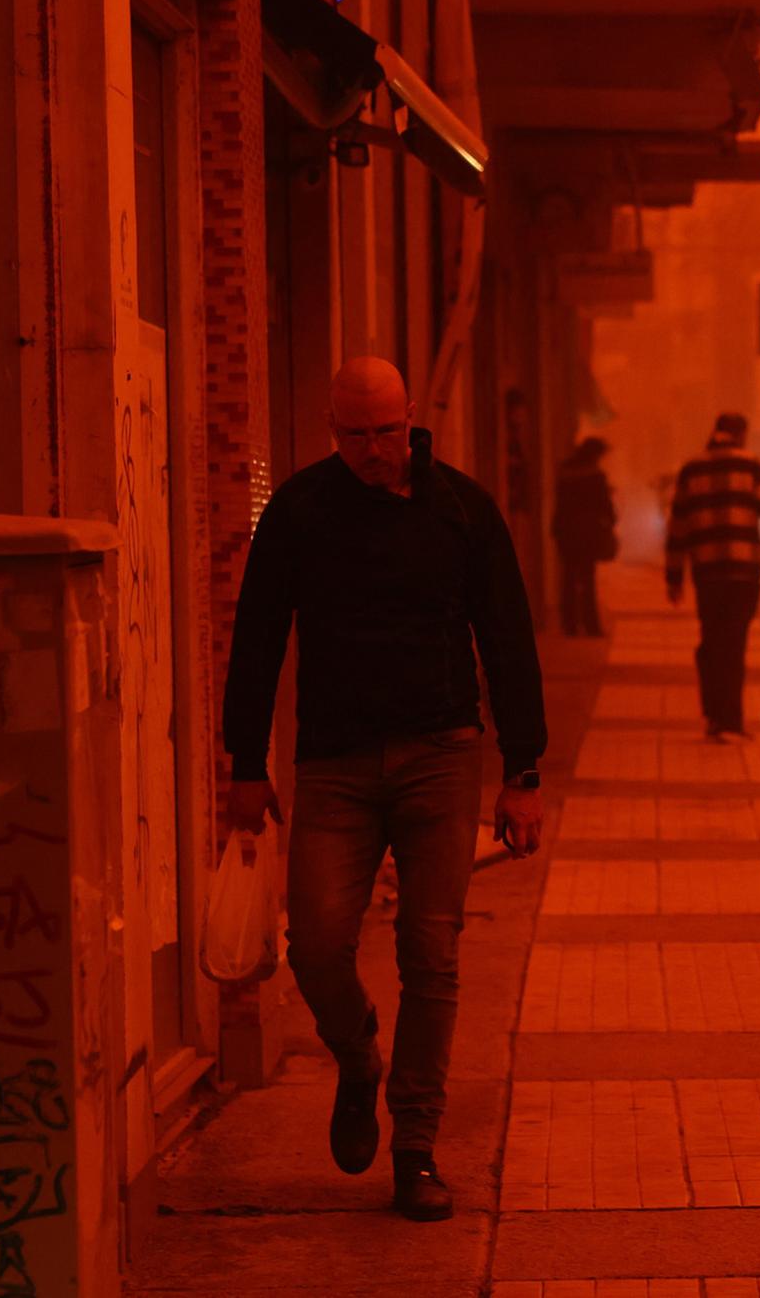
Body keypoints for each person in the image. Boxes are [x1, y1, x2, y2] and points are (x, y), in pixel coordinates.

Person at [222, 356, 546, 1222]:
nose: (375, 450)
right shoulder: (300, 511)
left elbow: (507, 638)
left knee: (430, 954)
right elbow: (256, 636)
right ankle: (359, 1056)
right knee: (316, 945)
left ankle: (416, 1149)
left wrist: (523, 772)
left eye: (388, 432)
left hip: (442, 755)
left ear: (412, 420)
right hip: (334, 764)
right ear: (333, 430)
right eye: (357, 435)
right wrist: (245, 762)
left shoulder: (460, 510)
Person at [664, 412, 760, 741]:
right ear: (741, 434)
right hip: (744, 571)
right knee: (735, 642)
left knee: (712, 640)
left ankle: (714, 716)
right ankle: (731, 719)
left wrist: (673, 577)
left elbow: (678, 527)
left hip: (707, 571)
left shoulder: (691, 469)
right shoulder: (754, 466)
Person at [550, 436, 616, 637]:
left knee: (568, 578)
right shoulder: (595, 475)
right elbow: (605, 506)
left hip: (566, 532)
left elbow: (560, 502)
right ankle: (591, 625)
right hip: (588, 533)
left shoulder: (565, 470)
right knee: (587, 579)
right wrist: (610, 521)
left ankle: (569, 624)